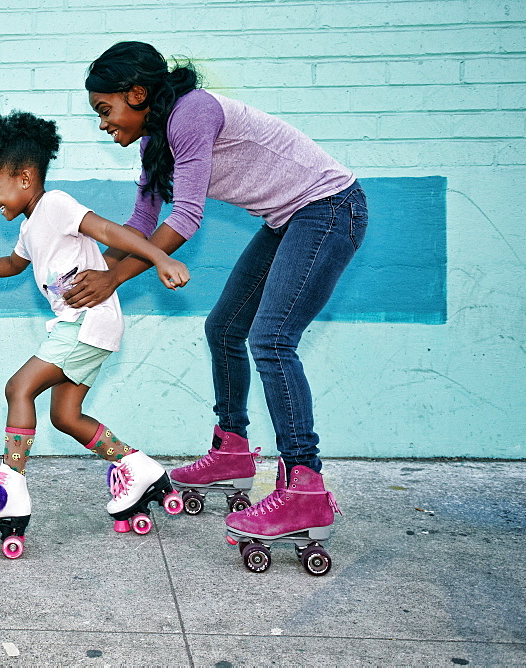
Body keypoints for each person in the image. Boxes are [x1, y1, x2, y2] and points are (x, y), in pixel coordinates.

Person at [71, 41, 365, 551]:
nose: (102, 123)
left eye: (105, 110)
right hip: (289, 220)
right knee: (225, 328)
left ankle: (305, 486)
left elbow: (184, 219)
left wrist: (112, 280)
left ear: (137, 93)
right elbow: (141, 223)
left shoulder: (192, 114)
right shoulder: (154, 143)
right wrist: (95, 272)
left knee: (272, 340)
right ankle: (232, 449)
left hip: (328, 208)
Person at [0, 110, 190, 557]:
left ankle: (10, 487)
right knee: (65, 417)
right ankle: (139, 468)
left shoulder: (55, 204)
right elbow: (13, 265)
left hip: (87, 320)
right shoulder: (30, 225)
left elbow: (110, 230)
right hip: (86, 325)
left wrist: (159, 258)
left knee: (19, 387)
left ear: (24, 177)